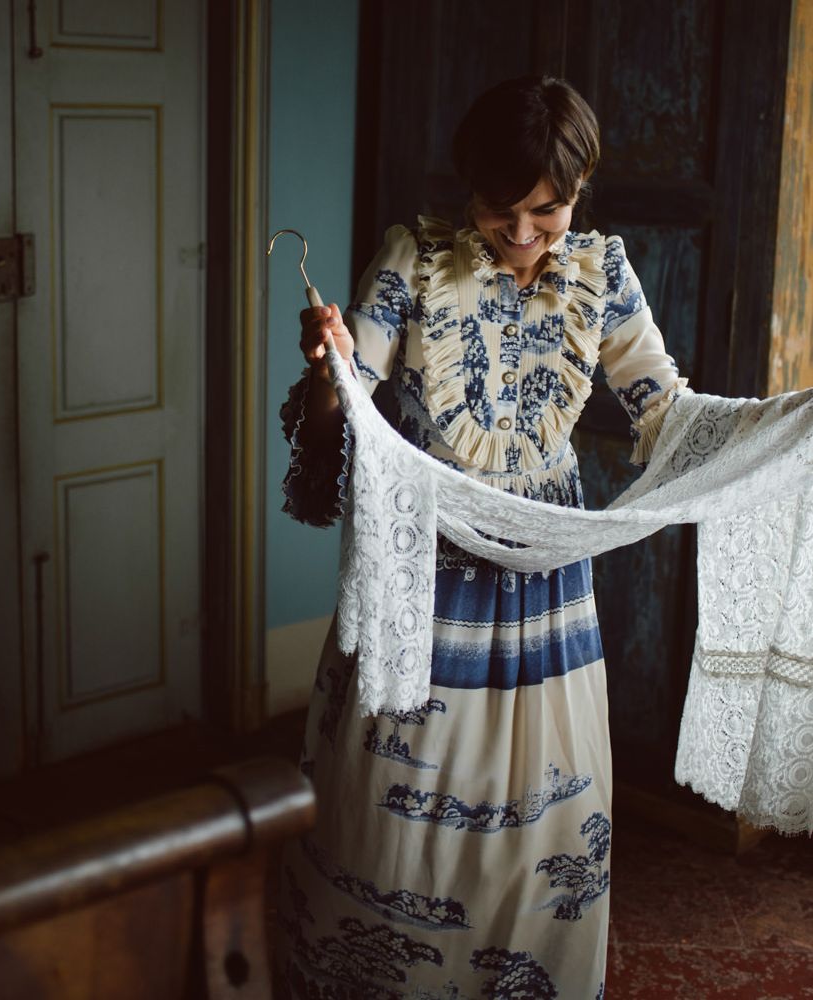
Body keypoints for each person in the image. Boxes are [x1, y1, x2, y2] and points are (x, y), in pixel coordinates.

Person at [274, 76, 687, 1000]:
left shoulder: (602, 276)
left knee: (546, 806)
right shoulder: (414, 261)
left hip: (545, 581)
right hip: (424, 576)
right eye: (505, 210)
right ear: (471, 188)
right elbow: (350, 400)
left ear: (578, 193)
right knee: (404, 810)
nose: (527, 232)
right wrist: (333, 366)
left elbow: (666, 408)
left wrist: (772, 428)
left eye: (550, 209)